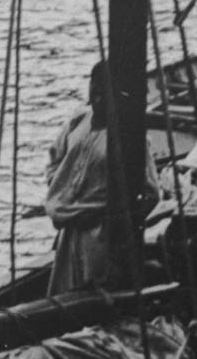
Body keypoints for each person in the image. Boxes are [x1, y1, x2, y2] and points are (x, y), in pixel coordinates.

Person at [44, 63, 153, 294]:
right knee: (64, 295)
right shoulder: (79, 122)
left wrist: (109, 216)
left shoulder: (130, 137)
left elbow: (150, 192)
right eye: (94, 93)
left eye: (105, 94)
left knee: (94, 297)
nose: (98, 100)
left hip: (102, 237)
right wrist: (61, 189)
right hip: (70, 233)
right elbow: (55, 158)